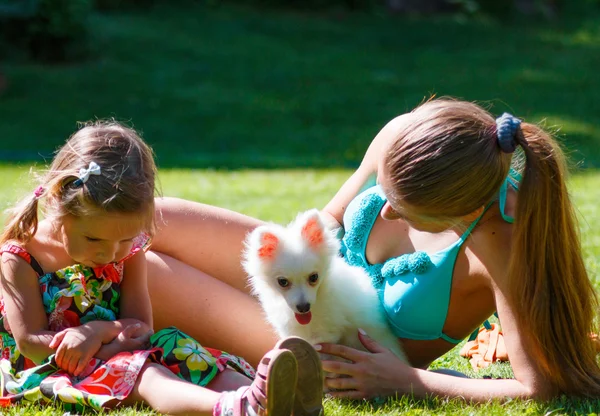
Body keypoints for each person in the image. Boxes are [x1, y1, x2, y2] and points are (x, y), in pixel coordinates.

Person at [146, 98, 600, 402]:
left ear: (460, 211)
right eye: (385, 196)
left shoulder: (502, 238)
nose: (385, 215)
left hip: (331, 344)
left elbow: (538, 385)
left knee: (149, 273)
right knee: (152, 220)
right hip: (309, 284)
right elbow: (330, 220)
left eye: (404, 211)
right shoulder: (408, 136)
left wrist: (411, 382)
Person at [0, 121, 324, 415]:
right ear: (59, 202)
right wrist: (94, 343)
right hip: (50, 367)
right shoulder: (21, 258)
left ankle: (270, 396)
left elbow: (141, 326)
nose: (110, 253)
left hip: (119, 348)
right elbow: (29, 343)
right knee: (146, 373)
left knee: (180, 347)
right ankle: (234, 408)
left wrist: (100, 332)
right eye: (94, 238)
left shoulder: (128, 251)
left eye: (123, 240)